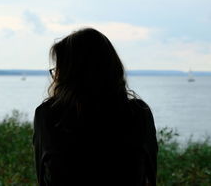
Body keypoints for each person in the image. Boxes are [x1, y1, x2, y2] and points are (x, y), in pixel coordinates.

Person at [33, 28, 158, 186]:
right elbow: (150, 175)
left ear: (68, 75)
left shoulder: (47, 115)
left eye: (58, 70)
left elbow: (42, 176)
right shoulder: (138, 114)